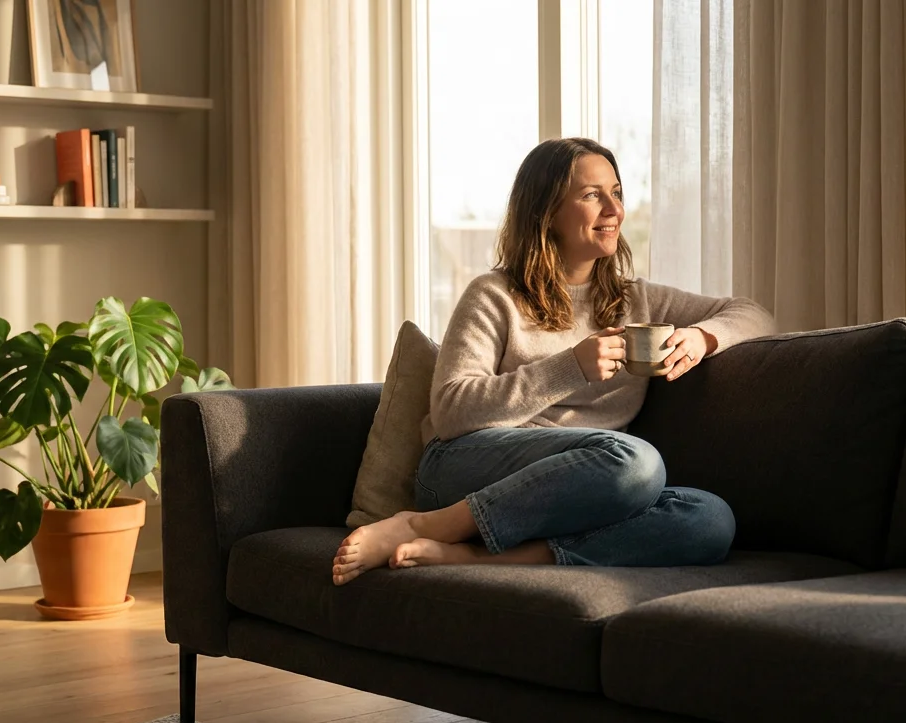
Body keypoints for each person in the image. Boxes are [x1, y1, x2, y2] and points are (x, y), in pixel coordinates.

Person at [332, 137, 776, 586]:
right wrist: (571, 368)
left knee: (708, 518)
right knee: (637, 463)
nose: (613, 209)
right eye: (591, 195)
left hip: (579, 487)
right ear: (546, 213)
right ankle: (422, 524)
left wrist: (703, 338)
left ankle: (483, 557)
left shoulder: (636, 299)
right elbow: (451, 412)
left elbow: (754, 314)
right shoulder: (494, 295)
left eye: (616, 192)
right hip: (465, 469)